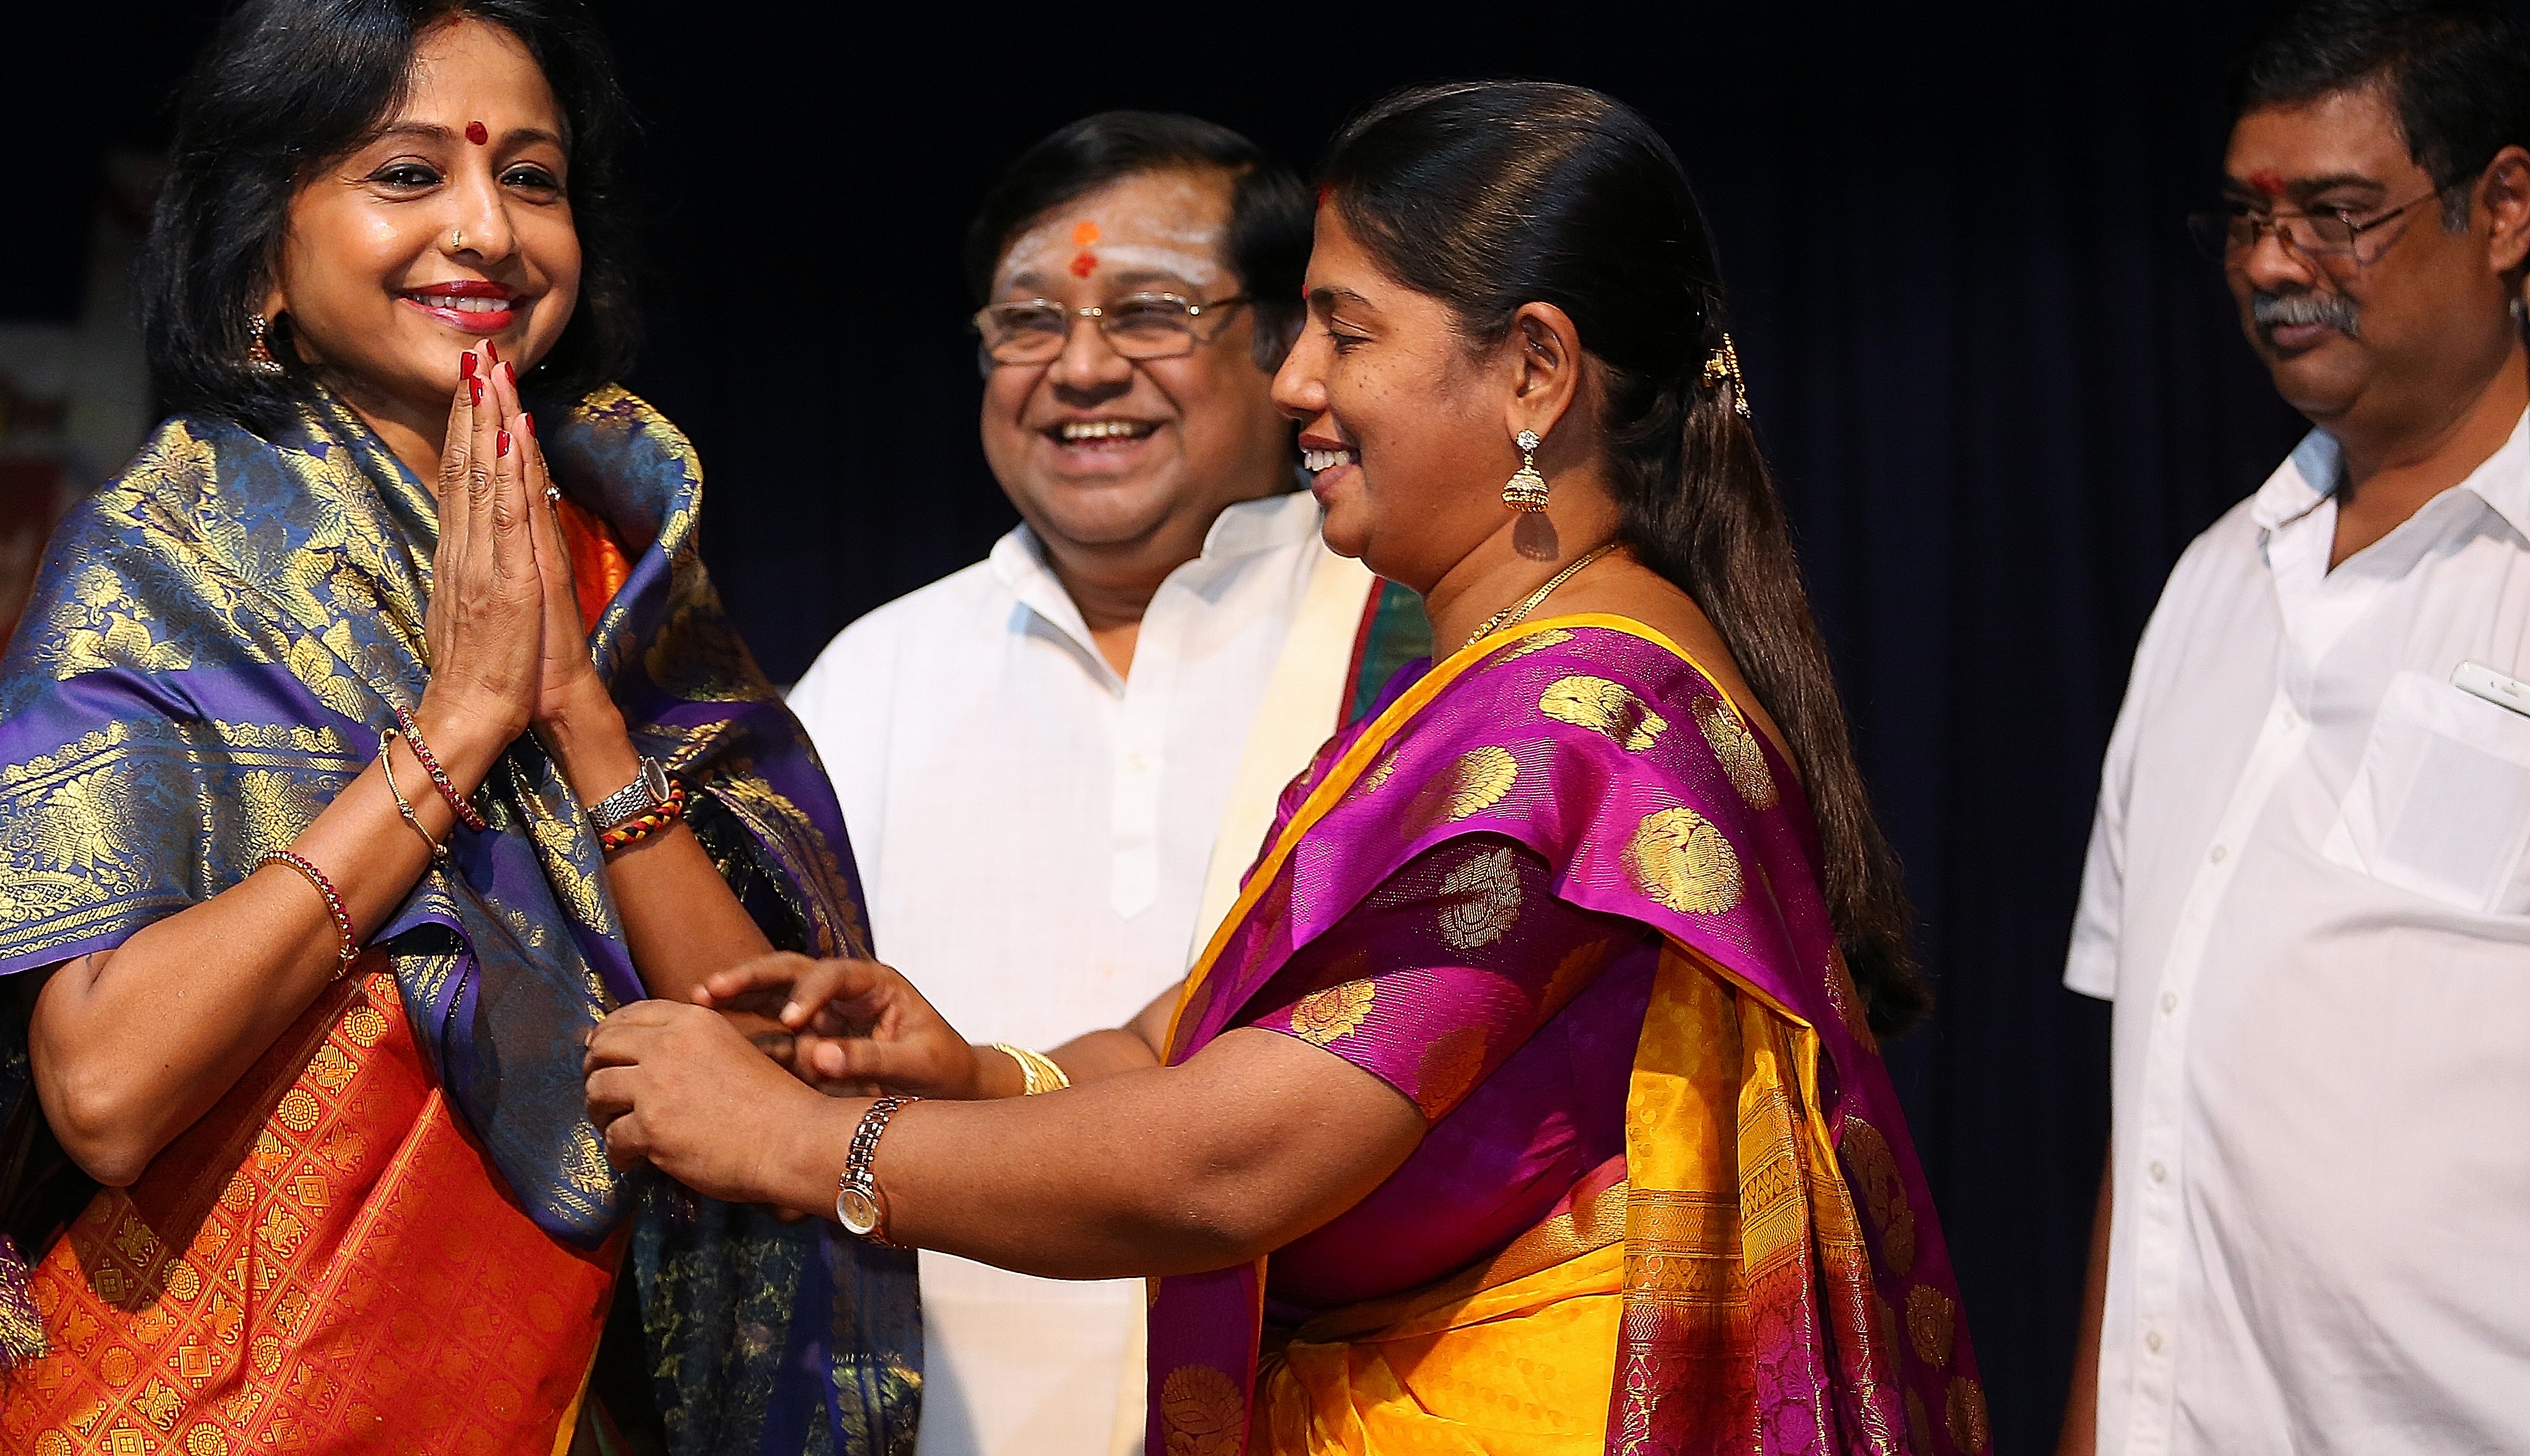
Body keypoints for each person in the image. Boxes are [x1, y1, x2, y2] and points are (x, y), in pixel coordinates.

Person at [586, 82, 1988, 1454]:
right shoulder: (1521, 677)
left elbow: (1233, 1156)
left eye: (1344, 330)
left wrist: (799, 1141)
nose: (1296, 380)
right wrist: (979, 1073)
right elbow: (1218, 1035)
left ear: (1534, 372)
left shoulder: (1576, 718)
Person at [0, 0, 912, 1456]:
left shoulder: (627, 574)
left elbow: (779, 1087)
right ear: (259, 256)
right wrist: (453, 733)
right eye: (407, 175)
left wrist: (579, 715)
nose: (486, 228)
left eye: (532, 178)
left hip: (542, 1398)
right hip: (194, 1406)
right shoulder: (170, 564)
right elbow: (105, 1087)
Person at [787, 110, 1424, 1456]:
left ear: (1284, 344)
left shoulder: (1408, 641)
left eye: (1151, 312)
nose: (1081, 367)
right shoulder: (872, 673)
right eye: (1028, 322)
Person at [2059, 0, 2530, 1456]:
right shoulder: (2214, 584)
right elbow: (2157, 1094)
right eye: (2246, 219)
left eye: (2335, 214)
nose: (2274, 264)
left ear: (2504, 209)